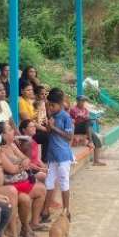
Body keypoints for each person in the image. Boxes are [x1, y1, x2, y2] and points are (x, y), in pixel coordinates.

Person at [0, 122, 48, 237]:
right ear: (2, 135)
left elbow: (25, 158)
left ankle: (34, 223)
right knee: (25, 199)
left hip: (22, 182)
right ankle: (24, 228)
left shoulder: (11, 145)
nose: (13, 131)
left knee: (42, 189)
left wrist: (22, 164)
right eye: (9, 130)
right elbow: (12, 169)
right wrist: (22, 165)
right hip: (11, 186)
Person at [42, 88, 74, 220]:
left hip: (63, 156)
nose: (50, 107)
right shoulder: (53, 116)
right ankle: (45, 210)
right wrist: (48, 126)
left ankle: (66, 211)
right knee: (49, 182)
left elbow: (69, 136)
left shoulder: (66, 117)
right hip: (53, 155)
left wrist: (53, 127)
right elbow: (50, 133)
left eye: (52, 105)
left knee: (63, 183)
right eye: (49, 104)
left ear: (60, 104)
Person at [70, 95, 106, 166]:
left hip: (85, 128)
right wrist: (94, 119)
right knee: (89, 122)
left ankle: (96, 161)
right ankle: (90, 141)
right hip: (76, 127)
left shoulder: (85, 110)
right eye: (81, 101)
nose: (83, 102)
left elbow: (87, 117)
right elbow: (81, 117)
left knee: (97, 141)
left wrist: (92, 119)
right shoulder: (73, 109)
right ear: (77, 101)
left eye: (84, 101)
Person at [18, 79, 49, 162]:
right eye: (28, 90)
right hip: (27, 130)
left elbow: (35, 118)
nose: (31, 92)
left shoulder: (30, 101)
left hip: (33, 128)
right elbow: (28, 121)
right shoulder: (21, 102)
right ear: (21, 91)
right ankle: (45, 158)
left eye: (31, 89)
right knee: (47, 135)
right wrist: (44, 129)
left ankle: (48, 156)